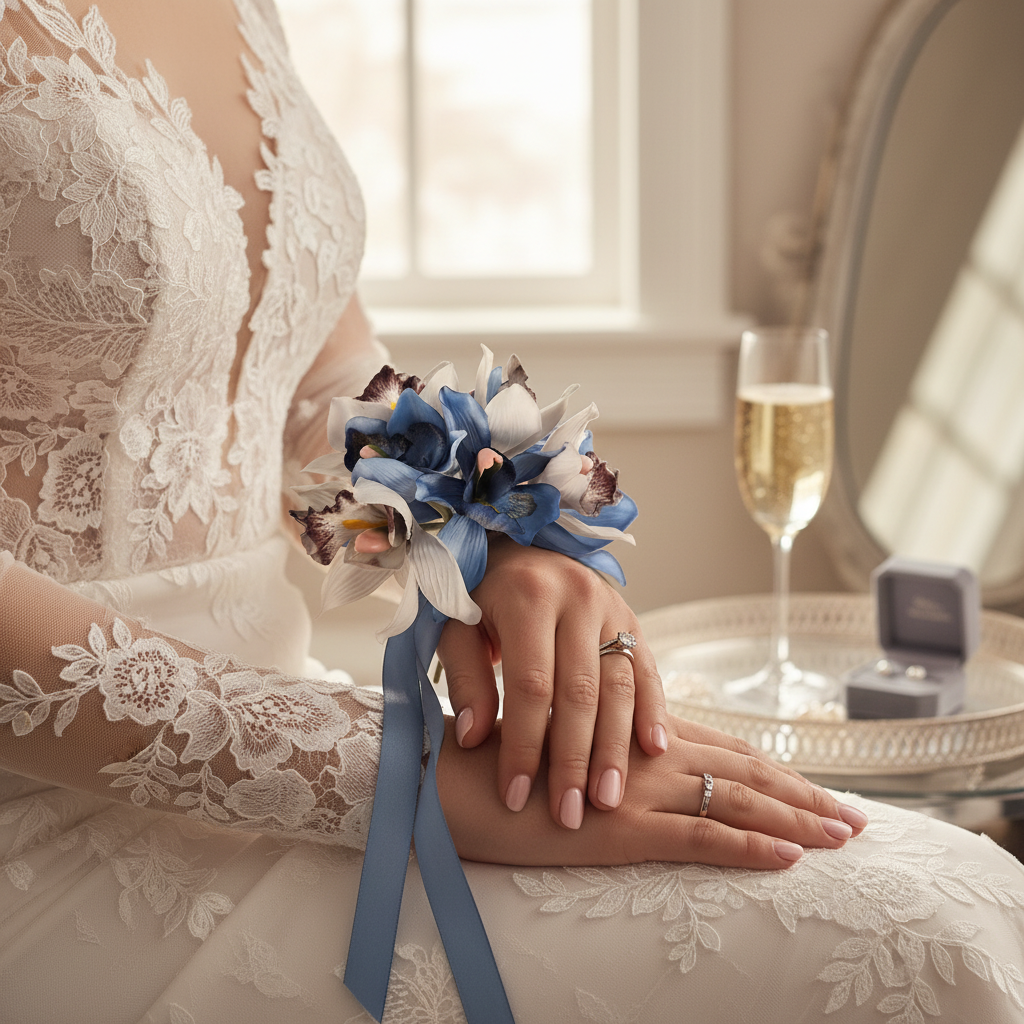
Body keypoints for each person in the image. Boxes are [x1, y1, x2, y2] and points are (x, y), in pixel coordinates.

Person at [0, 1, 1022, 1021]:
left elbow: (308, 394)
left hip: (286, 701)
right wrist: (394, 772)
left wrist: (477, 537)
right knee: (916, 949)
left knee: (951, 896)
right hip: (53, 808)